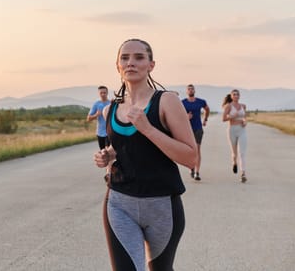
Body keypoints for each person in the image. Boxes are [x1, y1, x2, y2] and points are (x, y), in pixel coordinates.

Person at [93, 38, 197, 271]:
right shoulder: (110, 109)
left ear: (151, 65)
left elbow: (191, 158)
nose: (131, 62)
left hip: (162, 205)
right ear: (117, 65)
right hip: (119, 202)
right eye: (125, 58)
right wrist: (107, 155)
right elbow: (124, 148)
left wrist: (148, 128)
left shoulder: (166, 101)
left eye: (139, 57)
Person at [182, 84, 210, 181]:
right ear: (186, 91)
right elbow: (178, 115)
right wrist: (186, 116)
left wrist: (205, 119)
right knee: (190, 150)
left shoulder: (200, 101)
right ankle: (191, 168)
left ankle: (197, 172)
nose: (190, 90)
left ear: (194, 91)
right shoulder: (183, 103)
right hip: (187, 129)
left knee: (197, 150)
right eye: (188, 89)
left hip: (198, 128)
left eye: (192, 89)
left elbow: (207, 109)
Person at [222, 89, 248, 183]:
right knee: (234, 153)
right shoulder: (228, 106)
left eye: (237, 94)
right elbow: (224, 119)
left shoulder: (243, 106)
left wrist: (245, 122)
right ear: (231, 96)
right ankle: (234, 162)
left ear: (239, 96)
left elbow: (245, 117)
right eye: (234, 94)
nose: (236, 96)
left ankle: (243, 173)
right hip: (232, 130)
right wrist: (233, 116)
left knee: (242, 153)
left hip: (242, 130)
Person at [86, 85, 111, 150]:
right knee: (102, 151)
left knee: (109, 150)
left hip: (109, 131)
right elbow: (88, 118)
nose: (103, 94)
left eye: (104, 92)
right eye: (101, 93)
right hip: (100, 132)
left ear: (107, 93)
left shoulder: (111, 103)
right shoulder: (96, 104)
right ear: (98, 94)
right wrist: (96, 115)